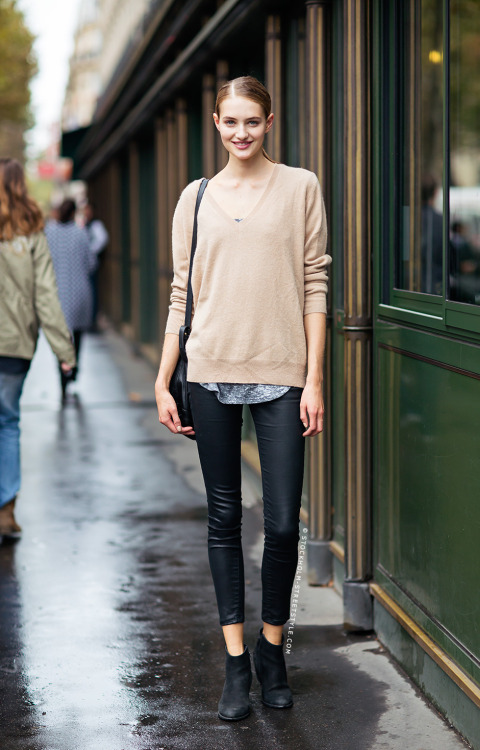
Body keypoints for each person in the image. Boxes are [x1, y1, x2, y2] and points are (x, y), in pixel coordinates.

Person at [155, 76, 331, 721]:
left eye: (252, 122)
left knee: (284, 523)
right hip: (208, 372)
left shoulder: (300, 187)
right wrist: (162, 375)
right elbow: (182, 293)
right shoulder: (195, 198)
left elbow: (316, 285)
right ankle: (235, 663)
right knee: (225, 519)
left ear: (270, 121)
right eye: (231, 122)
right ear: (215, 122)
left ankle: (271, 648)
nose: (241, 133)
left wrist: (314, 379)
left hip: (282, 373)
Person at [0, 158, 75, 538]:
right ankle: (6, 512)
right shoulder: (32, 234)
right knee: (8, 423)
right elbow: (46, 295)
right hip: (15, 345)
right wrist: (65, 351)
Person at [45, 198, 96, 400]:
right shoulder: (81, 233)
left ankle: (62, 375)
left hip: (56, 294)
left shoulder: (49, 233)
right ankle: (74, 369)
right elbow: (91, 263)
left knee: (61, 337)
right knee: (78, 336)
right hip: (79, 292)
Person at [83, 201, 108, 328]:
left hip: (92, 264)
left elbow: (103, 239)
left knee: (93, 291)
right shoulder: (86, 225)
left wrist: (91, 250)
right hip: (86, 265)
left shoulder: (96, 225)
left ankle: (92, 318)